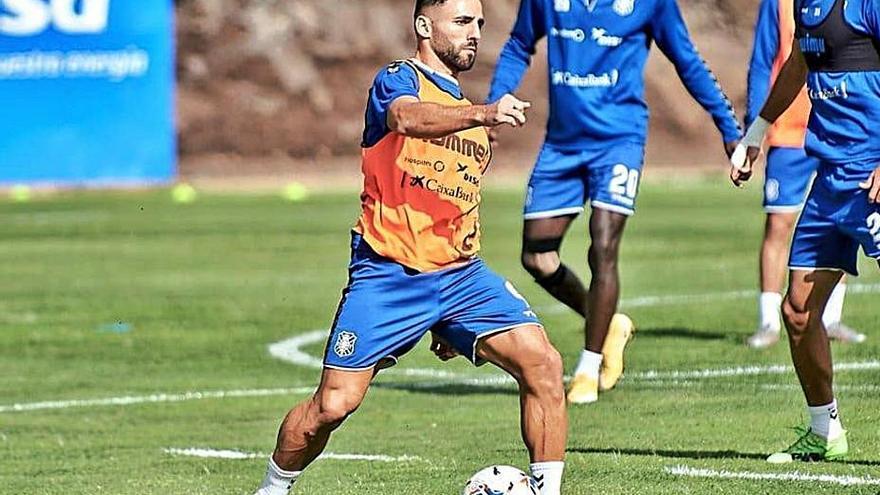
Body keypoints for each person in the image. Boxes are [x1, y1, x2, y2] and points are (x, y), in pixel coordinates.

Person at [254, 1, 568, 493]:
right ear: (424, 26)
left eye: (479, 24)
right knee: (332, 406)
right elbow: (405, 120)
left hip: (460, 275)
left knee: (543, 362)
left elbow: (460, 203)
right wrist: (482, 112)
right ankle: (272, 488)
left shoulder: (470, 123)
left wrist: (449, 319)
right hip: (388, 272)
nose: (474, 33)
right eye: (462, 22)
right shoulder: (398, 81)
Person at [487, 0, 742, 404]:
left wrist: (728, 127)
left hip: (618, 142)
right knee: (537, 257)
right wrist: (495, 103)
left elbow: (688, 61)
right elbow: (519, 44)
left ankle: (587, 369)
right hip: (562, 145)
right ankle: (608, 323)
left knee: (603, 243)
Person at [730, 0, 880, 461]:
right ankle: (824, 432)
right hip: (830, 182)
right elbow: (798, 61)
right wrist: (756, 132)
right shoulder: (805, 7)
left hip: (871, 179)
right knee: (797, 312)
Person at [745, 0, 866, 348]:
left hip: (843, 136)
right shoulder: (782, 3)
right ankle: (768, 322)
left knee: (844, 224)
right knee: (779, 224)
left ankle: (831, 318)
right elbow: (767, 61)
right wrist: (756, 128)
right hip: (790, 132)